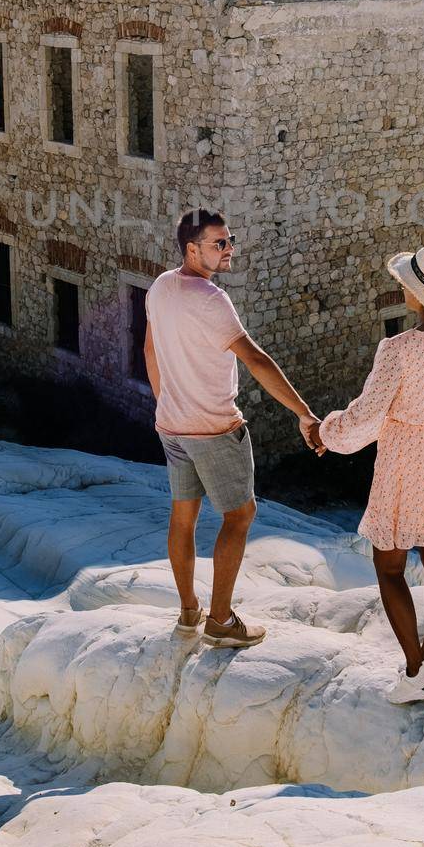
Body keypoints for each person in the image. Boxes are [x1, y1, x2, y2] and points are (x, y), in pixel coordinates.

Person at [315, 242, 424, 705]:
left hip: (406, 460)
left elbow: (369, 415)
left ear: (420, 296)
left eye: (406, 284)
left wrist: (326, 433)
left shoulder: (399, 349)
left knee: (389, 565)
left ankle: (415, 672)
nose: (401, 287)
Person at [144, 209, 322, 649]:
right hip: (213, 427)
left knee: (183, 516)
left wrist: (166, 400)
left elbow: (149, 348)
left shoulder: (161, 286)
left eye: (230, 240)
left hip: (172, 424)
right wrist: (304, 414)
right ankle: (220, 620)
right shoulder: (210, 298)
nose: (229, 250)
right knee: (240, 515)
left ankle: (189, 612)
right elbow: (257, 360)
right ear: (192, 248)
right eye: (218, 243)